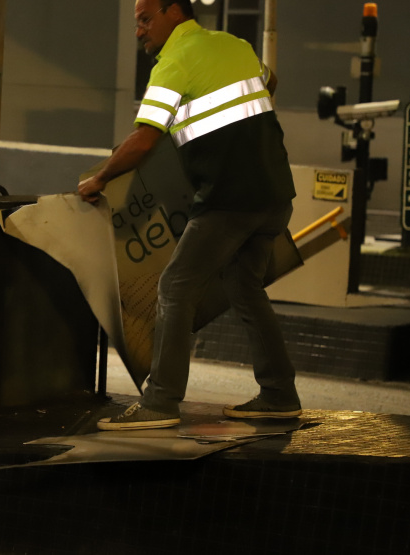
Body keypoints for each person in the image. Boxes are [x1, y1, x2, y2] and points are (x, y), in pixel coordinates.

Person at [79, 0, 300, 431]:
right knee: (244, 286)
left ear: (174, 12)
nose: (139, 31)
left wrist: (99, 179)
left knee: (175, 286)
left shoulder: (174, 62)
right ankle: (279, 394)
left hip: (228, 199)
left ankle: (160, 402)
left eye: (145, 19)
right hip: (275, 194)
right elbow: (269, 81)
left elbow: (144, 141)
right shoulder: (234, 45)